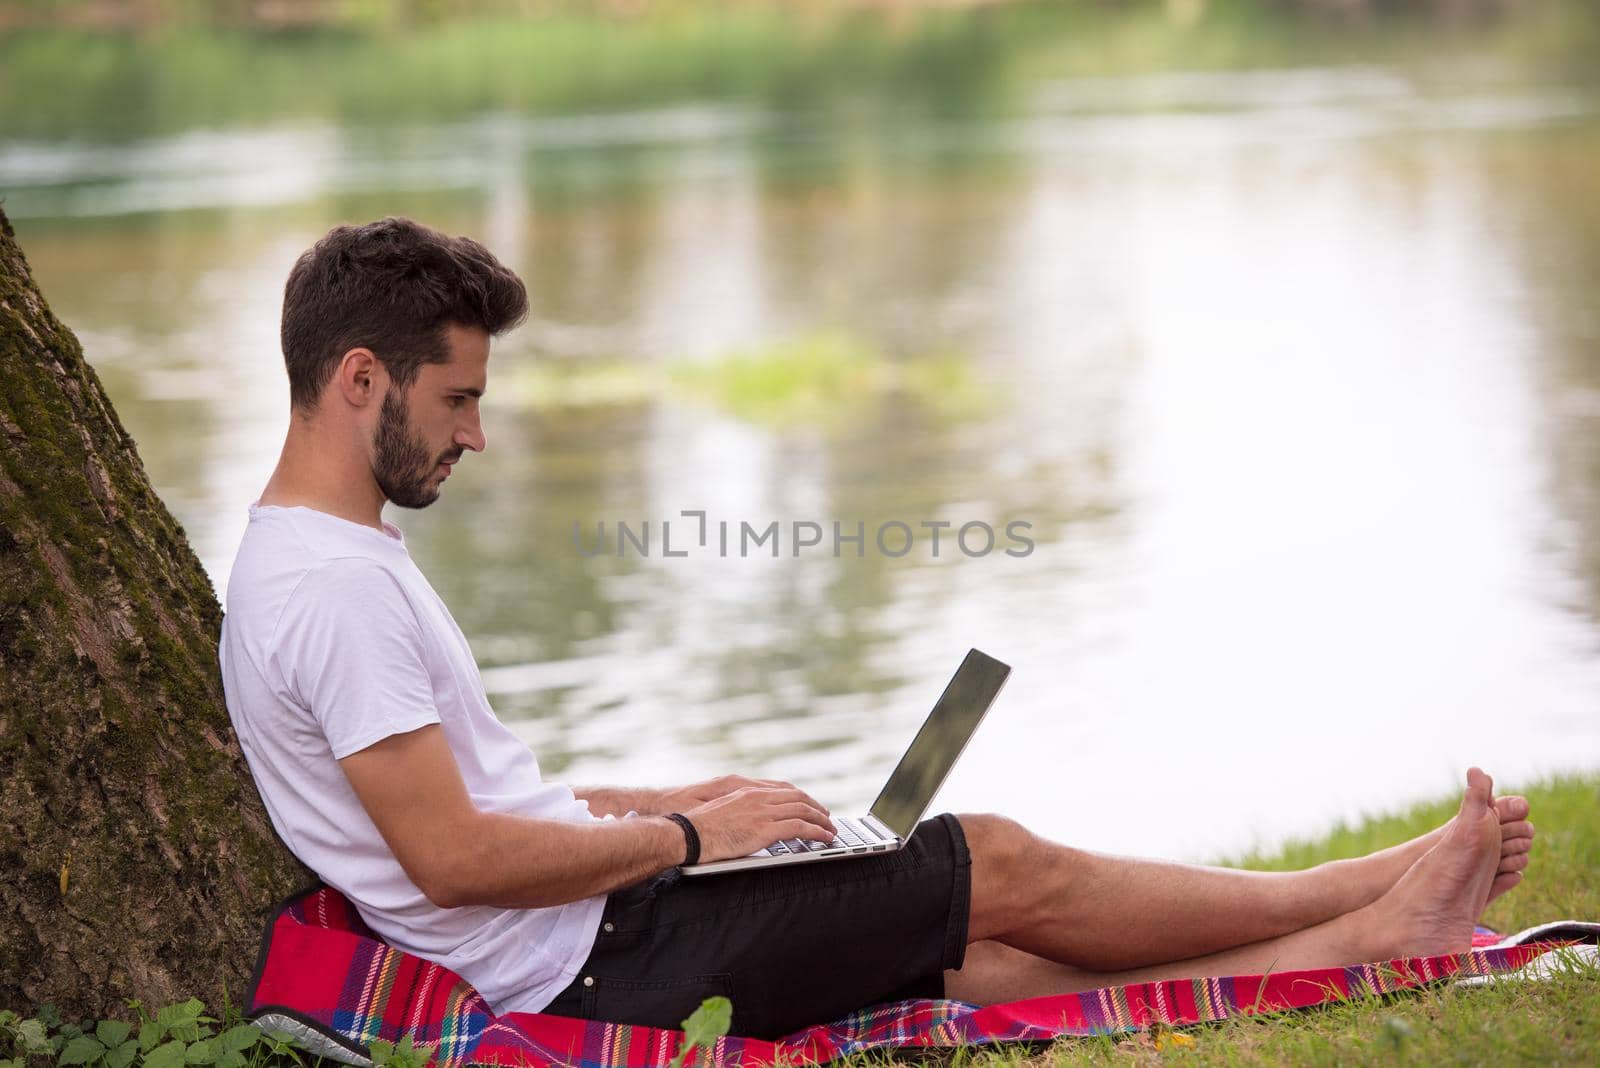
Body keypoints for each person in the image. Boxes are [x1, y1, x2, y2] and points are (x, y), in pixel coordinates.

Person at [220, 217, 1537, 1041]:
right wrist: (686, 841)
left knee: (982, 952)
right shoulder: (330, 591)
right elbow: (449, 858)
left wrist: (673, 800)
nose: (476, 433)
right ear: (358, 381)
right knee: (994, 863)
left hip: (600, 931)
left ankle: (1355, 940)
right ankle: (1368, 896)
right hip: (591, 968)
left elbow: (480, 795)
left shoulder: (331, 558)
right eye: (456, 399)